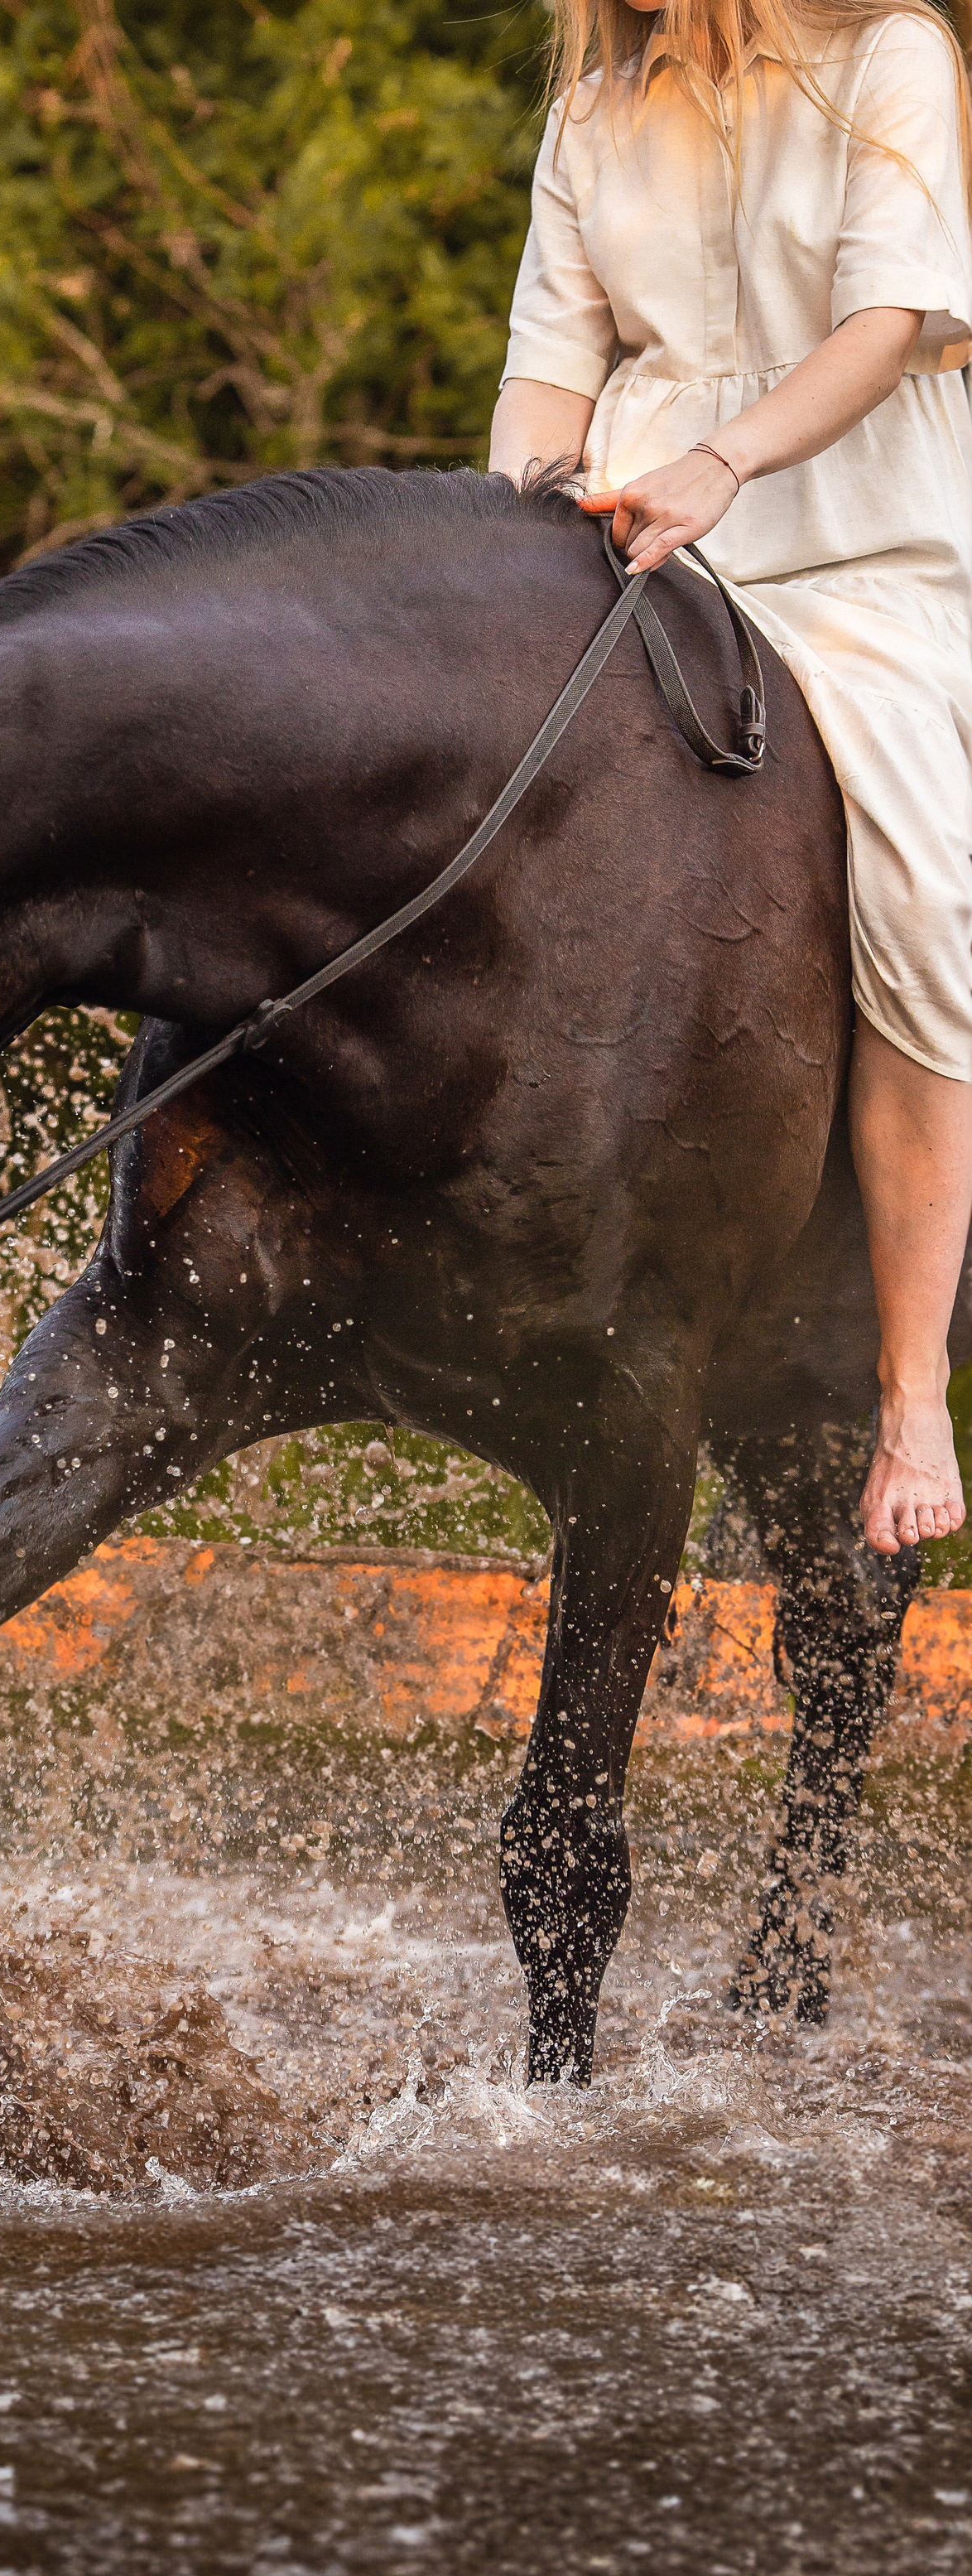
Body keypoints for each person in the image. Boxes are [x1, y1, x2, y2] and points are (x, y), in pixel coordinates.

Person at [488, 0, 972, 1555]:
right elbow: (546, 384)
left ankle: (908, 1392)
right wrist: (496, 559)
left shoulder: (891, 51)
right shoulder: (594, 108)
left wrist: (728, 463)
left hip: (861, 561)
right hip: (638, 556)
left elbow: (888, 327)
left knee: (919, 880)